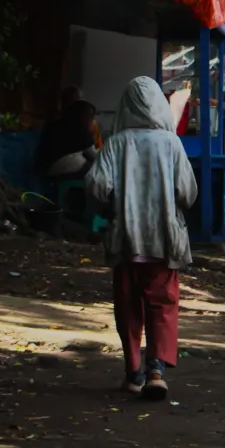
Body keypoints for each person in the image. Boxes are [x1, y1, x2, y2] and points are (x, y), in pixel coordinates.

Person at [85, 76, 198, 401]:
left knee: (128, 308)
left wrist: (113, 204)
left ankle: (133, 373)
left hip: (126, 241)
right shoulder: (172, 144)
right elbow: (188, 194)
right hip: (163, 241)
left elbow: (96, 186)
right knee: (162, 306)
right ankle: (156, 373)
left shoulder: (117, 143)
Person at [35, 97, 98, 179]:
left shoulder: (59, 122)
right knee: (94, 170)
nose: (91, 120)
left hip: (46, 166)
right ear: (83, 116)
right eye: (90, 117)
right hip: (54, 166)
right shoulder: (78, 127)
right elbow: (93, 154)